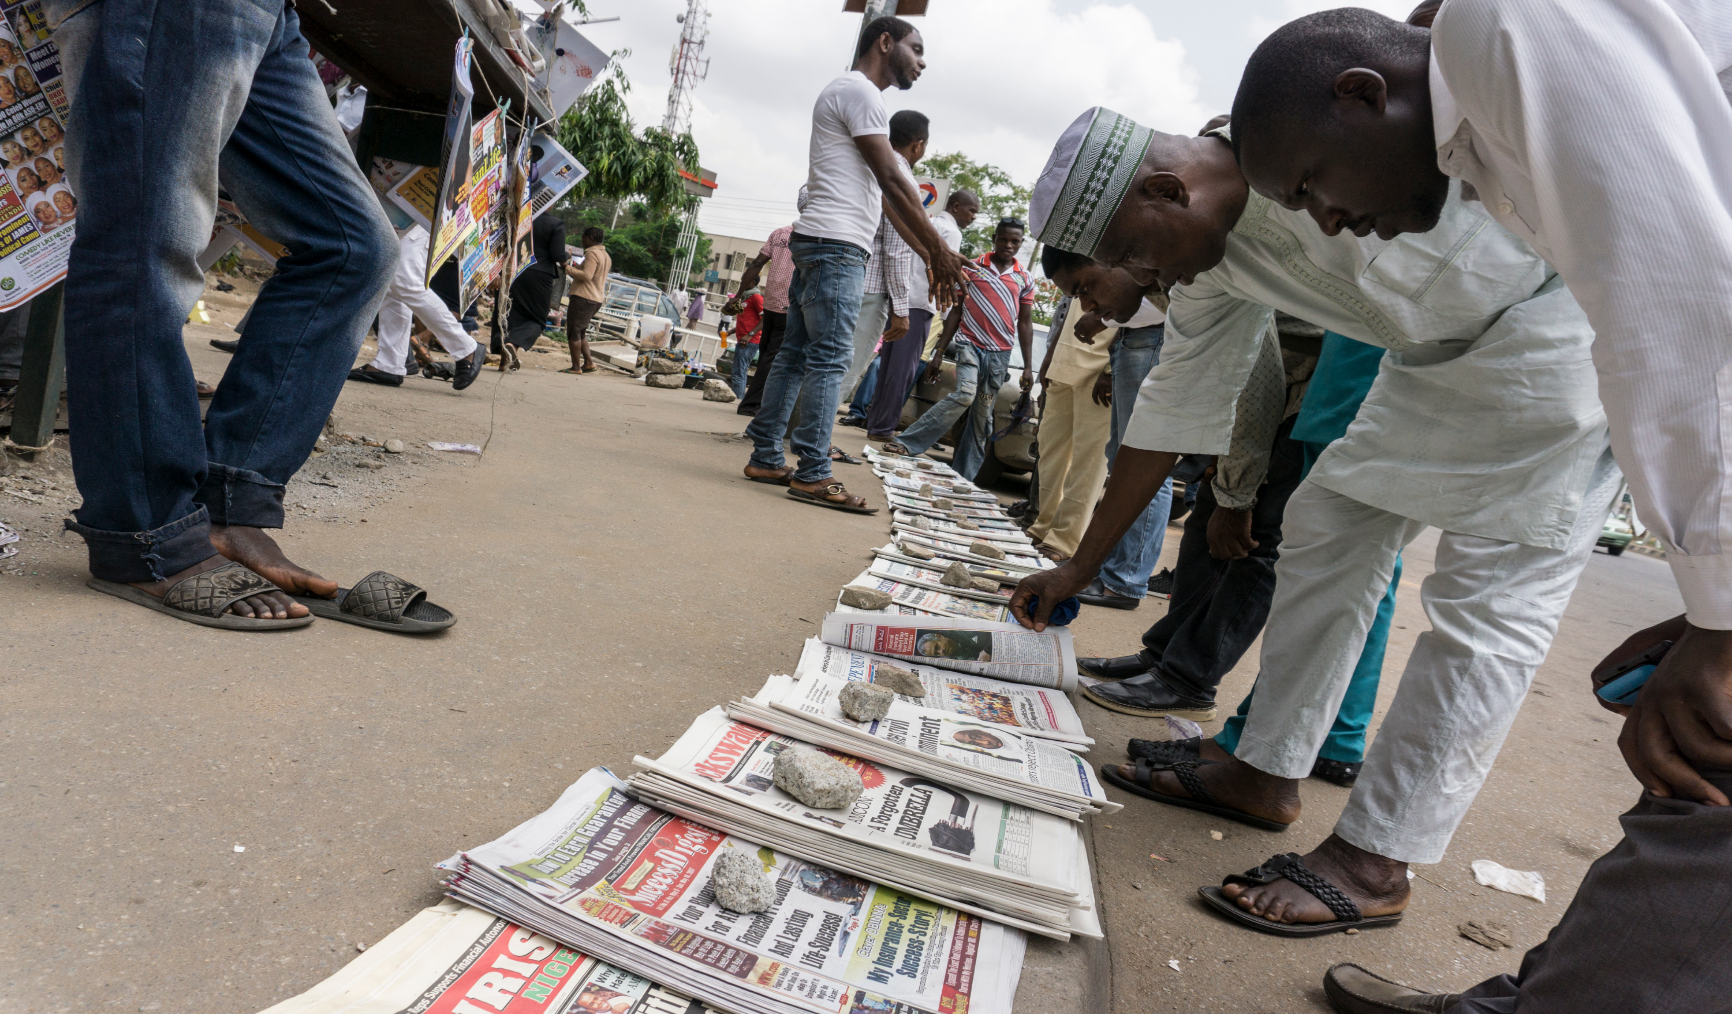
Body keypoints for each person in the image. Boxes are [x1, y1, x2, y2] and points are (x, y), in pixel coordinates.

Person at [1231, 4, 1732, 1007]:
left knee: (1708, 750)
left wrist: (1723, 622)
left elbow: (1675, 293)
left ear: (1365, 95)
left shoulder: (1507, 31)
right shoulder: (1482, 120)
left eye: (1311, 187)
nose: (1323, 220)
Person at [1015, 107, 1614, 934]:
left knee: (1492, 593)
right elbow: (1173, 408)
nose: (1133, 285)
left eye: (1128, 256)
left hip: (1558, 326)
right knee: (1331, 520)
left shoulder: (1319, 140)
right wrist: (1079, 569)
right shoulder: (1204, 259)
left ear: (1165, 191)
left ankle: (1378, 858)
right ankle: (1262, 770)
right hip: (1428, 356)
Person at [54, 0, 398, 626]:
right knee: (146, 239)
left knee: (355, 248)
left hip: (270, 13)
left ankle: (228, 504)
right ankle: (145, 534)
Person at [740, 15, 967, 513]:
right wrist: (941, 250)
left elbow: (887, 203)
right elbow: (892, 179)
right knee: (827, 360)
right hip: (837, 247)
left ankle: (765, 456)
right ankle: (814, 473)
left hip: (821, 242)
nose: (922, 62)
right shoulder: (861, 92)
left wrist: (933, 254)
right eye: (917, 48)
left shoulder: (856, 96)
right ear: (885, 42)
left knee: (797, 355)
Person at [883, 218, 1034, 482]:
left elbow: (1025, 322)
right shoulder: (972, 268)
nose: (1008, 245)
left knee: (981, 415)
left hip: (1000, 354)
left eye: (1015, 241)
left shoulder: (1025, 278)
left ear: (1021, 243)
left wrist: (1029, 366)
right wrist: (939, 351)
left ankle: (964, 476)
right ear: (994, 238)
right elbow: (956, 311)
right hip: (969, 344)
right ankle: (909, 442)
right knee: (965, 394)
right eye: (1003, 239)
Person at [838, 109, 930, 418]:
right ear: (918, 145)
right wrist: (901, 311)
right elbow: (896, 250)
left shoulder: (860, 162)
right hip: (870, 289)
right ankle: (811, 442)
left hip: (834, 272)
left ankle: (787, 435)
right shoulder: (901, 177)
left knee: (816, 361)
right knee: (844, 369)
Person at [866, 188, 976, 440]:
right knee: (902, 370)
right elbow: (944, 270)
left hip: (901, 300)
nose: (973, 218)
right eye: (971, 211)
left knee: (889, 367)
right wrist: (947, 306)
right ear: (956, 207)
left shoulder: (928, 223)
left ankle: (876, 423)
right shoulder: (952, 232)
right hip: (921, 303)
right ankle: (883, 428)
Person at [1024, 297, 1114, 561]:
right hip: (1065, 362)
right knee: (1050, 449)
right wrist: (1051, 356)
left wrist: (1111, 369)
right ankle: (1044, 526)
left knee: (1089, 460)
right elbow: (1070, 311)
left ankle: (1065, 539)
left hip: (1101, 368)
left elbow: (1139, 312)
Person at [349, 225, 486, 391]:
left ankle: (465, 347)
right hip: (399, 209)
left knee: (404, 279)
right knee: (390, 276)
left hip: (419, 213)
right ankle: (389, 362)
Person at [725, 187, 803, 417]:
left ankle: (755, 403)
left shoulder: (779, 233)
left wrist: (737, 297)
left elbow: (756, 264)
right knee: (774, 360)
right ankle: (752, 405)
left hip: (771, 308)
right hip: (790, 308)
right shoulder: (812, 235)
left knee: (768, 358)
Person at [493, 209, 568, 369]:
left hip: (510, 271)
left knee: (506, 313)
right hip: (539, 276)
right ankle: (513, 345)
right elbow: (557, 255)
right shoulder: (555, 223)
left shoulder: (513, 217)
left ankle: (503, 361)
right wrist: (565, 256)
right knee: (537, 319)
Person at [562, 226, 610, 375]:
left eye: (583, 237)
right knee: (581, 332)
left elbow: (586, 275)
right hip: (595, 298)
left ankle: (576, 367)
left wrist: (566, 268)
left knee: (573, 331)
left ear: (590, 238)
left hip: (584, 297)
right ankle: (588, 362)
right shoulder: (605, 255)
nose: (582, 240)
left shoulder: (592, 254)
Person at [727, 287, 763, 399]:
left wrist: (749, 335)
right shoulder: (744, 298)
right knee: (739, 371)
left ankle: (738, 398)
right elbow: (745, 320)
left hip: (749, 341)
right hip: (743, 339)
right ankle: (739, 397)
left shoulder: (756, 297)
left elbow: (765, 319)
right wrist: (730, 332)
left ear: (752, 282)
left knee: (738, 372)